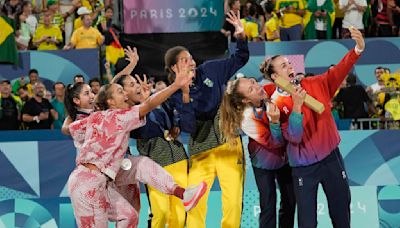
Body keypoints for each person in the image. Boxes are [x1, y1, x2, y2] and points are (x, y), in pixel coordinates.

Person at [65, 61, 206, 227]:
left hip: (106, 178)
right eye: (120, 91)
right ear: (110, 101)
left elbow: (72, 128)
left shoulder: (98, 117)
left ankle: (182, 193)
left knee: (130, 212)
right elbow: (149, 105)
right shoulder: (117, 117)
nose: (125, 94)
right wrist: (175, 85)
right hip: (87, 182)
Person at [258, 27, 365, 227]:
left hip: (332, 160)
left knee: (341, 216)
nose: (290, 67)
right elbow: (294, 138)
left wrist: (357, 49)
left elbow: (338, 70)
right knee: (307, 223)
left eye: (289, 63)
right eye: (283, 65)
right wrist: (297, 106)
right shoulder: (275, 105)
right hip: (303, 169)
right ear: (274, 76)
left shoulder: (314, 83)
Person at [164, 10, 249, 228]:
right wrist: (184, 94)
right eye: (185, 60)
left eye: (191, 57)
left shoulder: (210, 69)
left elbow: (240, 58)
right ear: (174, 68)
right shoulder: (172, 94)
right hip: (201, 150)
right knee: (195, 204)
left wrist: (240, 35)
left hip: (229, 143)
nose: (191, 62)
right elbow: (190, 127)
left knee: (232, 203)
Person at [219, 77, 306, 228]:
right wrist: (274, 122)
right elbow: (276, 142)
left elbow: (284, 87)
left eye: (253, 82)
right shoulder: (246, 118)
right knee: (268, 204)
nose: (257, 86)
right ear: (246, 100)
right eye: (251, 89)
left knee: (290, 201)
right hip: (263, 163)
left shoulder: (268, 91)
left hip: (284, 159)